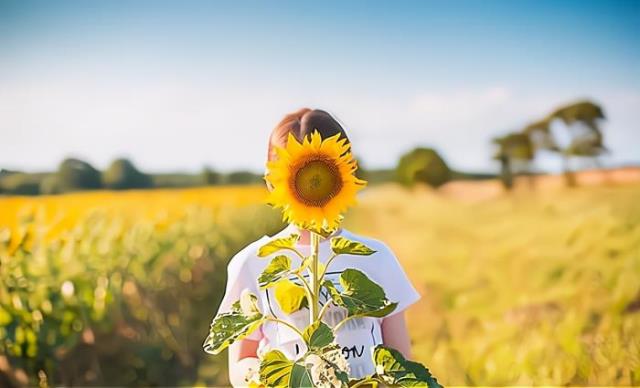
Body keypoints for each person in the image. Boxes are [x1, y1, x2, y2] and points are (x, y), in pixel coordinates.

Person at [218, 108, 421, 386]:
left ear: (345, 171)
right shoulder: (253, 262)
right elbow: (241, 362)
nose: (312, 183)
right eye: (297, 175)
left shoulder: (377, 258)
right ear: (272, 180)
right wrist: (270, 378)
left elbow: (399, 360)